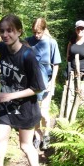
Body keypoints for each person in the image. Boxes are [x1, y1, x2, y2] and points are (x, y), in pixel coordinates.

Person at [0, 14, 46, 166]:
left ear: (19, 32)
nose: (5, 34)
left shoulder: (28, 56)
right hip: (4, 108)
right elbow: (3, 59)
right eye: (2, 31)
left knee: (25, 146)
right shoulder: (2, 47)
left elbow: (38, 87)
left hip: (25, 109)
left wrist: (9, 95)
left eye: (10, 31)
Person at [25, 17, 61, 150]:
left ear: (44, 30)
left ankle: (46, 134)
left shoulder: (52, 43)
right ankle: (37, 136)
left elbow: (56, 64)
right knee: (34, 112)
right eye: (34, 32)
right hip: (31, 83)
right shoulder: (28, 41)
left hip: (47, 82)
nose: (36, 35)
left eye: (39, 32)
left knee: (44, 112)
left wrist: (53, 81)